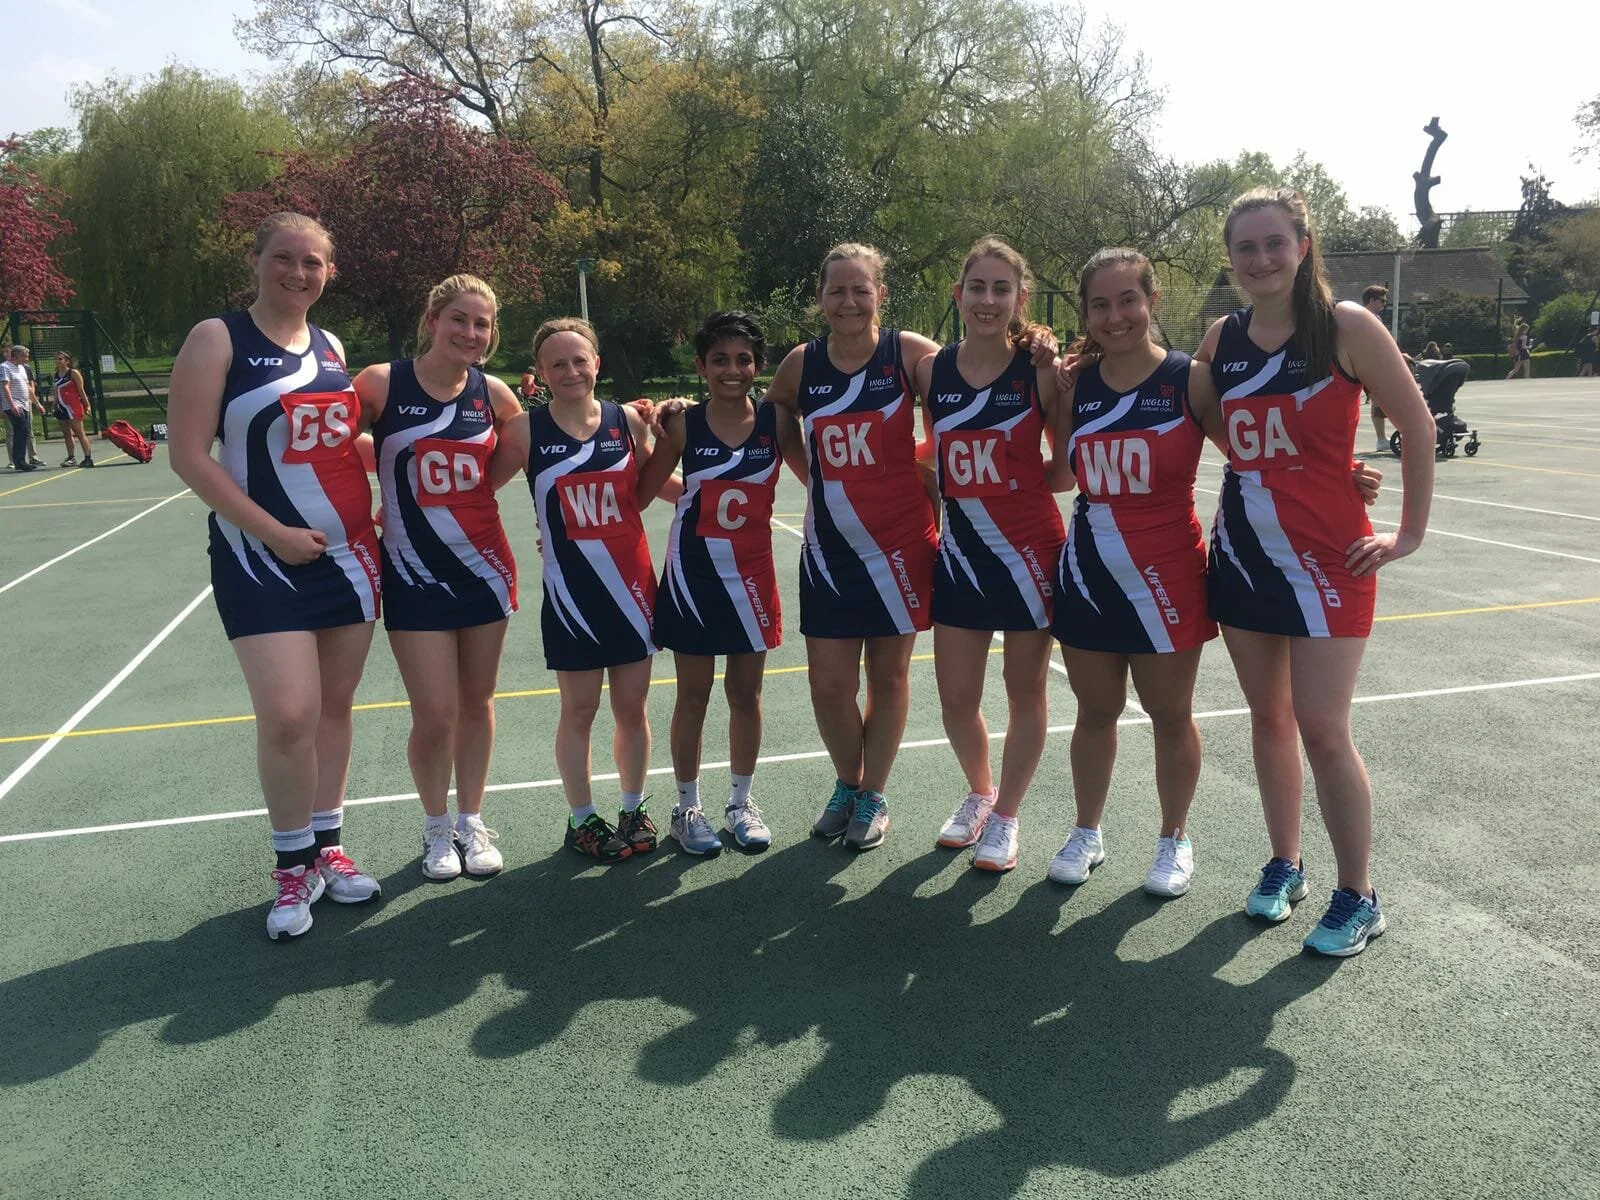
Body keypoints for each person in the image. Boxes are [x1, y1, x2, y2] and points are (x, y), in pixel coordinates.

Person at [1191, 187, 1434, 956]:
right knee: (1269, 720)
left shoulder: (1347, 328)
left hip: (1332, 556)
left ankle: (1359, 893)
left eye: (1274, 243)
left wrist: (1407, 535)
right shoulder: (1217, 342)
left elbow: (1421, 428)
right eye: (1246, 248)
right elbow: (1215, 430)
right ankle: (1285, 863)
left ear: (1303, 243)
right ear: (1231, 259)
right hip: (1242, 556)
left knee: (1324, 728)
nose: (1261, 259)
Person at [763, 242, 1054, 853]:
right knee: (828, 685)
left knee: (889, 677)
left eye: (860, 289)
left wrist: (1036, 343)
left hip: (901, 544)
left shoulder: (912, 355)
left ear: (880, 296)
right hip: (829, 549)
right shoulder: (801, 364)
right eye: (836, 290)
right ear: (820, 298)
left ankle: (874, 795)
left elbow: (980, 377)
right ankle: (848, 781)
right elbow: (776, 412)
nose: (848, 301)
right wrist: (805, 470)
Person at [167, 212, 382, 941]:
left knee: (334, 709)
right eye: (284, 259)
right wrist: (275, 533)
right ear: (256, 259)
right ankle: (292, 867)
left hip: (348, 557)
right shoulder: (217, 338)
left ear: (329, 272)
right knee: (289, 714)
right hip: (260, 556)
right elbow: (191, 457)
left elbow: (327, 438)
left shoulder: (330, 345)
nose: (298, 273)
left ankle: (328, 847)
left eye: (312, 262)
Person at [1044, 248, 1217, 897]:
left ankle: (1174, 839)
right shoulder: (1076, 382)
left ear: (1152, 301)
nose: (1114, 316)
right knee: (1096, 711)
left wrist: (1336, 476)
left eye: (1127, 301)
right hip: (1087, 575)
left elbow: (1255, 453)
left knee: (1171, 714)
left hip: (1168, 576)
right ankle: (1087, 832)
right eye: (1099, 304)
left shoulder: (1189, 379)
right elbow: (1061, 473)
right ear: (1085, 312)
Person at [353, 275, 523, 882]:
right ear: (432, 319)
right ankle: (434, 826)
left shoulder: (495, 395)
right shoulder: (381, 383)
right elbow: (331, 441)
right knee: (435, 711)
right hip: (410, 573)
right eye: (459, 319)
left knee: (477, 703)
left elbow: (500, 468)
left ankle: (471, 821)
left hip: (484, 569)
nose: (470, 333)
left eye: (482, 324)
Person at [916, 237, 1064, 873]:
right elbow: (931, 455)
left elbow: (1070, 462)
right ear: (959, 295)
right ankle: (981, 793)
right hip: (960, 554)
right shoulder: (931, 371)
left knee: (1024, 691)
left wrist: (1014, 485)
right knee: (955, 696)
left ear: (1019, 300)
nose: (988, 299)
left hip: (1030, 550)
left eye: (1002, 289)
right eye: (977, 287)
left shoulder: (1038, 370)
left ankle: (1007, 815)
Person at [637, 312, 795, 856]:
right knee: (694, 695)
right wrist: (638, 431)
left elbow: (821, 476)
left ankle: (740, 802)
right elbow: (641, 493)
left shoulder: (777, 421)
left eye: (744, 359)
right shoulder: (684, 425)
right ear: (701, 366)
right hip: (693, 578)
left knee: (746, 694)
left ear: (759, 365)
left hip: (753, 576)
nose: (733, 370)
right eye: (720, 360)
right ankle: (686, 807)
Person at [520, 317, 664, 862]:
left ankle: (632, 808)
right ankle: (581, 819)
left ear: (596, 364)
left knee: (633, 707)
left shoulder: (626, 421)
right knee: (578, 710)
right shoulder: (524, 431)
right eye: (557, 363)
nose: (570, 370)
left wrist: (714, 477)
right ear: (540, 374)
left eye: (580, 360)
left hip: (631, 589)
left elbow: (653, 487)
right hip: (571, 595)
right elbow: (476, 490)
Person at [1361, 285, 1393, 452]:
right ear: (1372, 300)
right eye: (1382, 300)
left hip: (1371, 366)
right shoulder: (1361, 317)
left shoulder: (1375, 318)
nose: (1384, 304)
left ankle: (1381, 439)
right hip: (1363, 366)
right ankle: (1381, 439)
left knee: (1378, 401)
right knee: (1378, 401)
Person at [2, 346, 44, 472]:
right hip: (15, 405)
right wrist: (12, 404)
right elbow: (5, 386)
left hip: (25, 404)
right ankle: (19, 461)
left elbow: (28, 388)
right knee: (21, 429)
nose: (27, 358)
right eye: (24, 356)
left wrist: (37, 403)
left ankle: (19, 460)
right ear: (16, 356)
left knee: (24, 431)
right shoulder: (4, 367)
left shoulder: (22, 368)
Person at [52, 351, 94, 467]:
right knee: (66, 433)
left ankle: (88, 458)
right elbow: (56, 392)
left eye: (60, 359)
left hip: (73, 406)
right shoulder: (55, 375)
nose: (57, 361)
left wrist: (87, 405)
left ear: (67, 361)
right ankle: (71, 457)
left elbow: (81, 390)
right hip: (61, 408)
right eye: (56, 359)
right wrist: (54, 406)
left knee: (80, 432)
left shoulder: (73, 373)